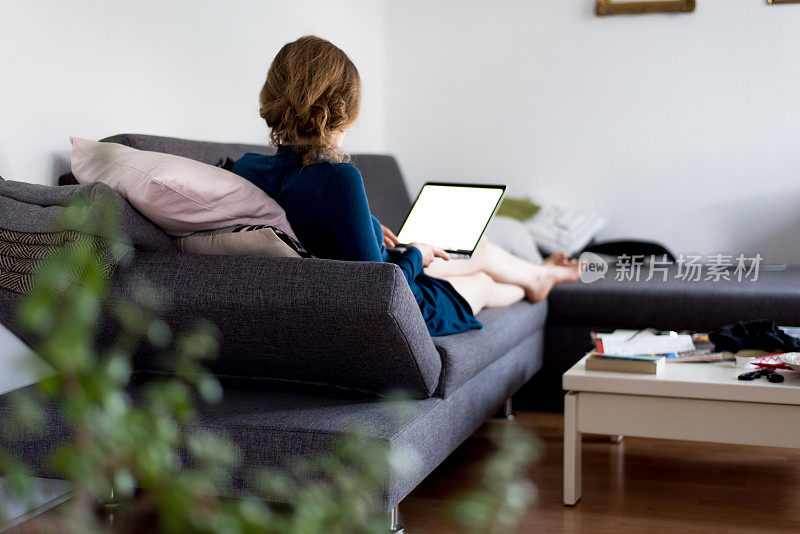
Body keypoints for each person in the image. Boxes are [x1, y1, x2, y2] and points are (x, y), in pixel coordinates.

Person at [233, 35, 579, 337]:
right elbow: (378, 288)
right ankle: (536, 281)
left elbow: (307, 215)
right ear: (346, 110)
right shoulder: (338, 177)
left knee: (482, 250)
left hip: (390, 264)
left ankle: (538, 275)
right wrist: (419, 253)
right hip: (404, 297)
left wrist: (367, 226)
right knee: (484, 284)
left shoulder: (248, 168)